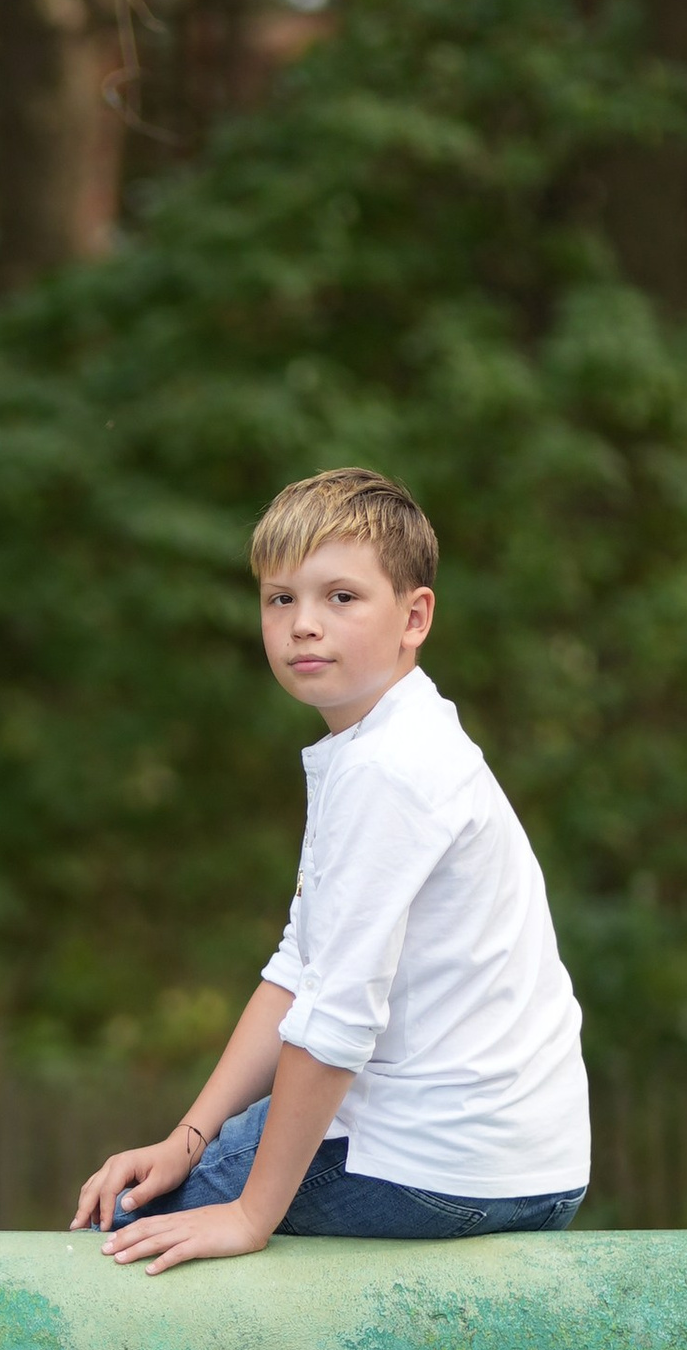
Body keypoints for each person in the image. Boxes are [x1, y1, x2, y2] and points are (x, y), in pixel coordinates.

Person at [72, 465, 589, 1277]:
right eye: (281, 599)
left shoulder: (393, 769)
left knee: (124, 1231)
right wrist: (189, 1137)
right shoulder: (383, 744)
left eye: (340, 598)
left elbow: (337, 1017)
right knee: (157, 1189)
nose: (303, 624)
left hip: (442, 1164)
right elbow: (298, 970)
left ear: (414, 616)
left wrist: (247, 1214)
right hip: (532, 1167)